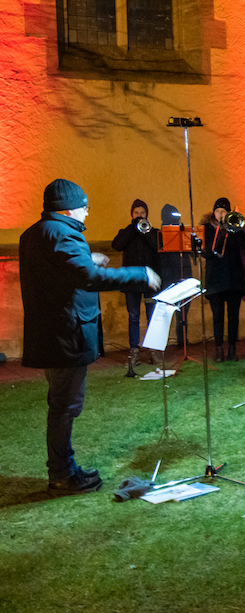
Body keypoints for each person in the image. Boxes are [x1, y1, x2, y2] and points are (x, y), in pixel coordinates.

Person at [20, 179, 161, 495]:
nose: (87, 214)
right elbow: (88, 278)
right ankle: (62, 475)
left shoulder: (35, 233)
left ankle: (64, 469)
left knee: (61, 404)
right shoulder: (65, 233)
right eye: (84, 208)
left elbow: (59, 271)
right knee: (65, 406)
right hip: (66, 335)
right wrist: (138, 274)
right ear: (69, 207)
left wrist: (89, 258)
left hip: (50, 333)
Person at [111, 198, 161, 376]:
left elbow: (158, 246)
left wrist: (145, 231)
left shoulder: (153, 231)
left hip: (148, 283)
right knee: (133, 317)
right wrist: (133, 228)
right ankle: (134, 352)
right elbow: (116, 245)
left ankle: (153, 352)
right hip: (132, 283)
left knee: (151, 317)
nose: (139, 216)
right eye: (136, 213)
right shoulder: (126, 232)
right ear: (132, 215)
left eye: (142, 213)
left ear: (147, 214)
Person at [203, 197, 245, 362]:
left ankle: (232, 349)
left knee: (233, 317)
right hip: (215, 280)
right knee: (217, 317)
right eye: (217, 211)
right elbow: (206, 252)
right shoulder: (207, 229)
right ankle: (218, 350)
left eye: (223, 212)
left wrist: (234, 230)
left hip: (233, 280)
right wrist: (220, 236)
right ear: (214, 212)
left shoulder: (234, 228)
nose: (220, 215)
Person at [157, 204, 193, 349]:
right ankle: (163, 342)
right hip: (168, 275)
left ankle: (182, 340)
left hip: (183, 273)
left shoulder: (182, 232)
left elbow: (190, 251)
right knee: (166, 311)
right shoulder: (160, 235)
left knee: (184, 310)